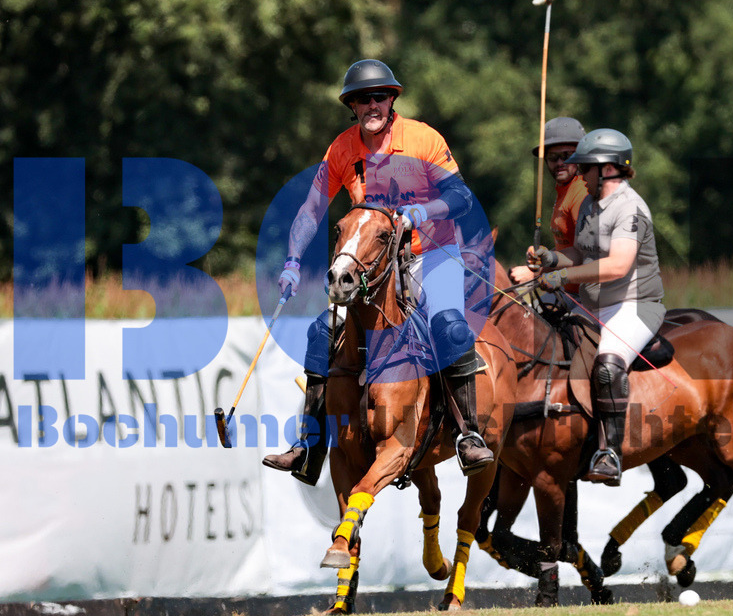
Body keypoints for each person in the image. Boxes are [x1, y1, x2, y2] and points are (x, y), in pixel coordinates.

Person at [263, 58, 494, 477]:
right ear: (351, 106)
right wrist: (293, 261)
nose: (371, 105)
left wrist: (424, 212)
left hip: (431, 253)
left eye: (379, 97)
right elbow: (311, 210)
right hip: (372, 265)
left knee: (449, 325)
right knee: (322, 333)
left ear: (391, 100)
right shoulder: (341, 149)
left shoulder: (423, 139)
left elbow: (461, 196)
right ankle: (308, 447)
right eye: (362, 99)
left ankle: (468, 434)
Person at [527, 129, 666, 486]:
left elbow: (618, 265)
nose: (579, 174)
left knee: (607, 365)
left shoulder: (630, 207)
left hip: (634, 305)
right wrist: (552, 259)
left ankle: (609, 452)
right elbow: (581, 252)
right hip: (594, 306)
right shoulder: (590, 204)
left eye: (585, 168)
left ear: (606, 169)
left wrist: (564, 276)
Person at [509, 117, 589, 286]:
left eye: (567, 156)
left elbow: (585, 254)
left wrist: (535, 274)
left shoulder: (581, 193)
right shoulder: (564, 191)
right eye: (553, 157)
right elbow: (565, 248)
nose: (560, 163)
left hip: (582, 294)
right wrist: (542, 259)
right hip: (562, 289)